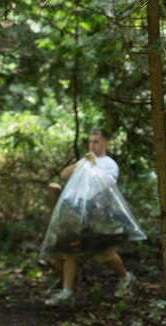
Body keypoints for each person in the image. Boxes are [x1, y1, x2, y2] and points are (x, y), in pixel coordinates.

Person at [45, 129, 136, 306]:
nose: (92, 145)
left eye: (96, 142)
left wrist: (93, 166)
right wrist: (82, 163)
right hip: (76, 212)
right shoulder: (85, 161)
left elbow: (107, 184)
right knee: (70, 251)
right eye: (90, 142)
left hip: (97, 214)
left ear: (104, 143)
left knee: (103, 253)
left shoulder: (109, 163)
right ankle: (67, 292)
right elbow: (64, 175)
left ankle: (125, 277)